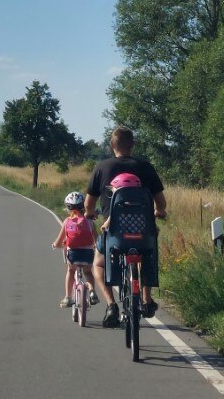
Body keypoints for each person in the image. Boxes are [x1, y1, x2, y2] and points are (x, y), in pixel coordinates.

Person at [84, 126, 167, 328]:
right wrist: (160, 212)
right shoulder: (145, 167)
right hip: (143, 229)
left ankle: (112, 305)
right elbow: (160, 201)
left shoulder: (102, 168)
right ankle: (147, 300)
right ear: (133, 145)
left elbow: (89, 204)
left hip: (114, 233)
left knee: (98, 264)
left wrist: (90, 214)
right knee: (148, 253)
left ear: (112, 145)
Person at [51, 191, 100, 308]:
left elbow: (59, 242)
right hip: (87, 253)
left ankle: (68, 297)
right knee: (88, 272)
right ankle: (92, 291)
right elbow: (96, 240)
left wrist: (55, 245)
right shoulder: (89, 222)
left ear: (68, 208)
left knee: (71, 271)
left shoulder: (67, 222)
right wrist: (95, 247)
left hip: (73, 254)